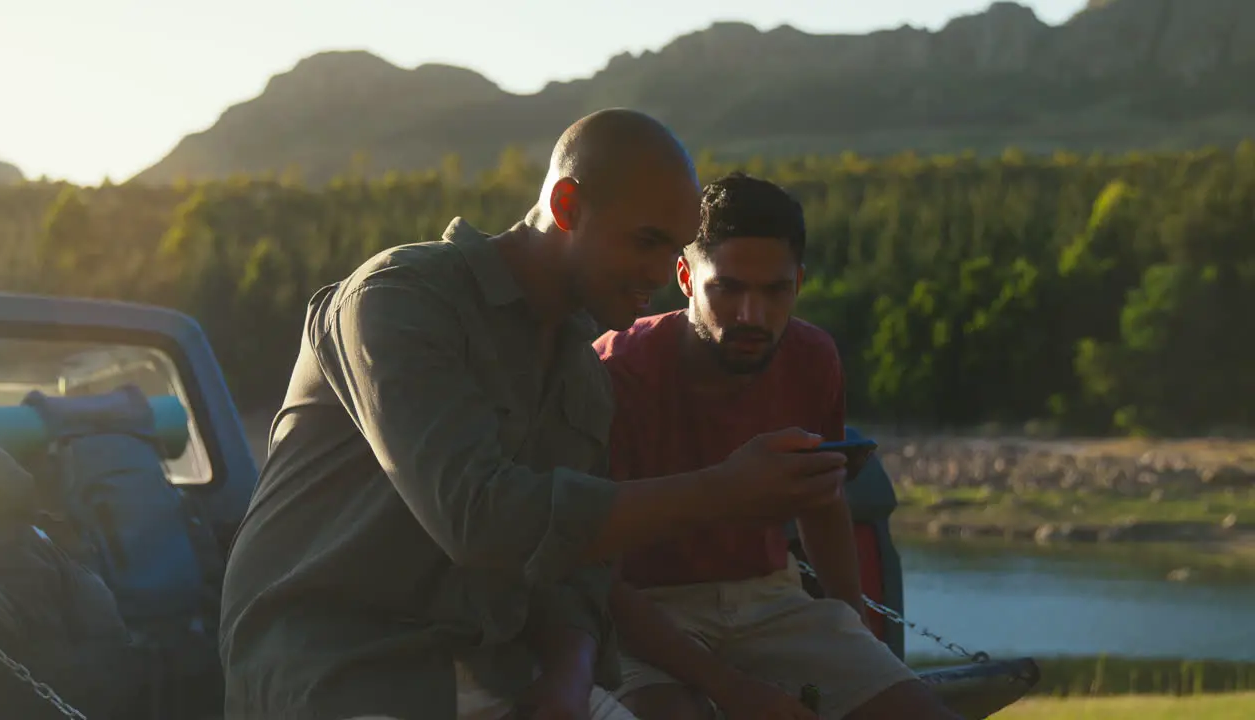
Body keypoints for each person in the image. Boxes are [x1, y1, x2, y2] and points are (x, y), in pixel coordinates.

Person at [217, 111, 852, 720]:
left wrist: (571, 675)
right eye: (646, 242)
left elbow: (577, 567)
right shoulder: (397, 302)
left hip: (494, 666)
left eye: (674, 250)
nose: (661, 275)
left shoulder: (581, 372)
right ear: (567, 207)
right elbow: (480, 517)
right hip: (337, 667)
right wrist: (722, 490)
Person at [593, 172, 962, 720]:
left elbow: (822, 499)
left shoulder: (812, 357)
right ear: (686, 278)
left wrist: (855, 633)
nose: (752, 315)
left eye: (775, 291)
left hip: (769, 600)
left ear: (800, 283)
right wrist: (732, 688)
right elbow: (590, 566)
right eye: (729, 287)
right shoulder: (617, 371)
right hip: (641, 609)